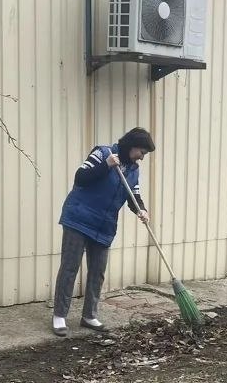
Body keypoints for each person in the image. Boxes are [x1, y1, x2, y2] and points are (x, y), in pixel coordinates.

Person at [52, 127, 155, 336]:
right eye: (141, 152)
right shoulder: (103, 153)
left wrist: (141, 210)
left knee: (97, 271)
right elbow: (80, 177)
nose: (142, 157)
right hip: (79, 218)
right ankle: (59, 316)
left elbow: (133, 195)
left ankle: (89, 315)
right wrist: (106, 166)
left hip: (104, 225)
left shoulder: (133, 170)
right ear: (132, 145)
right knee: (70, 267)